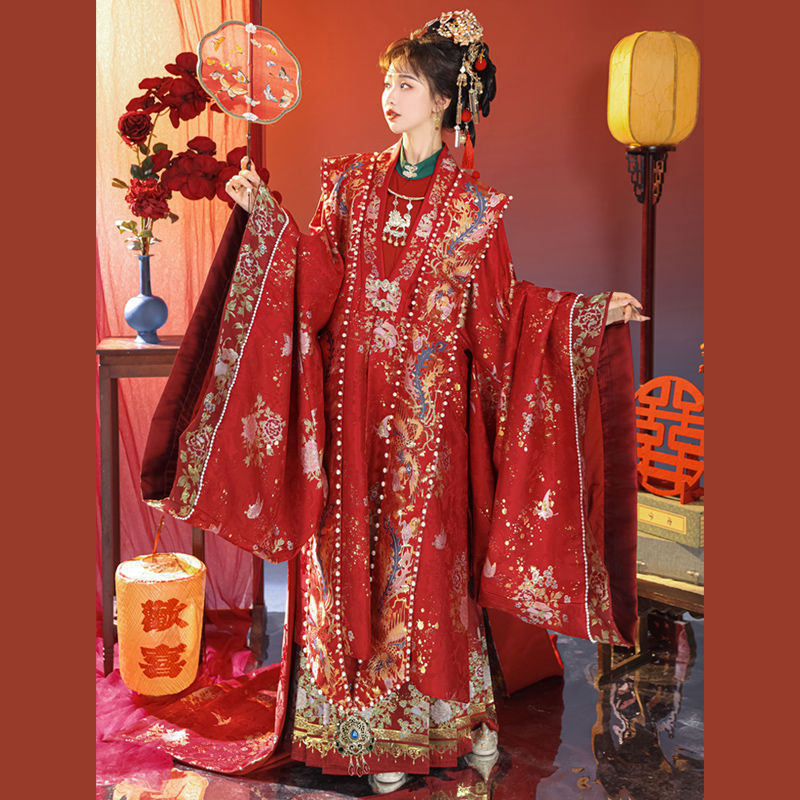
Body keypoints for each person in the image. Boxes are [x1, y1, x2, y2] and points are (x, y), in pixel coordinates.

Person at [141, 9, 647, 793]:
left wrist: (585, 315)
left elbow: (501, 317)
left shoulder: (474, 210)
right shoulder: (348, 183)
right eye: (387, 82)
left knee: (424, 573)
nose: (389, 95)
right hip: (346, 417)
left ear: (444, 100)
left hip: (428, 431)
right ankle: (357, 730)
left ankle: (445, 724)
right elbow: (316, 282)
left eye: (406, 84)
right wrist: (267, 217)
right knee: (342, 564)